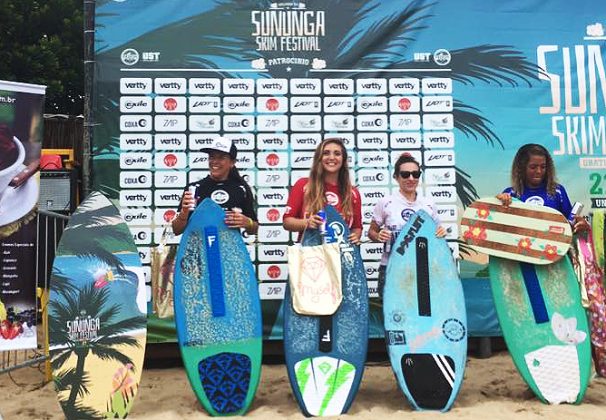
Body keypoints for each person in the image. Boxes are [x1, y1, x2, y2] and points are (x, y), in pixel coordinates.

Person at [368, 153, 446, 297]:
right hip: (391, 268)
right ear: (396, 177)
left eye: (415, 174)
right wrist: (378, 235)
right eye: (405, 174)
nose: (411, 178)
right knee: (392, 317)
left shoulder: (429, 204)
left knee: (422, 316)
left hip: (422, 270)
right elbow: (371, 232)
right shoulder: (385, 202)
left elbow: (437, 234)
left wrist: (441, 233)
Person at [172, 137, 258, 235]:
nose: (215, 161)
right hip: (198, 249)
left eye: (221, 157)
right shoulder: (194, 189)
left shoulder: (241, 189)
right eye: (212, 157)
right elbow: (176, 230)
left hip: (230, 249)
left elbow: (254, 230)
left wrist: (248, 223)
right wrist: (184, 213)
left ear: (232, 162)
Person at [283, 137, 362, 244]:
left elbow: (357, 227)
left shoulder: (353, 193)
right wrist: (307, 223)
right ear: (319, 158)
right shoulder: (303, 185)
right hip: (311, 254)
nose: (331, 157)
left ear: (343, 160)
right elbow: (287, 222)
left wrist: (355, 237)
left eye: (337, 154)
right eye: (326, 153)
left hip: (340, 254)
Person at [496, 143, 589, 232]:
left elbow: (569, 225)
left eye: (543, 167)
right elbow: (499, 227)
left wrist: (580, 224)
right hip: (520, 246)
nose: (539, 171)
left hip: (553, 247)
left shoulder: (557, 191)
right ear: (521, 168)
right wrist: (497, 204)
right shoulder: (510, 194)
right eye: (533, 167)